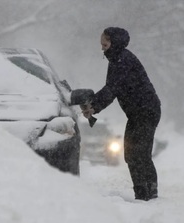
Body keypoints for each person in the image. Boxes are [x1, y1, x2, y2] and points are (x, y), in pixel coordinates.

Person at [82, 27, 161, 201]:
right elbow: (113, 87)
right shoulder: (118, 59)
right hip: (138, 113)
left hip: (145, 111)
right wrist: (94, 105)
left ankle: (146, 194)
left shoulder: (122, 60)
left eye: (105, 44)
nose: (102, 48)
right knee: (134, 154)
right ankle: (147, 192)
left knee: (138, 153)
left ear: (114, 43)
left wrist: (93, 106)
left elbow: (112, 88)